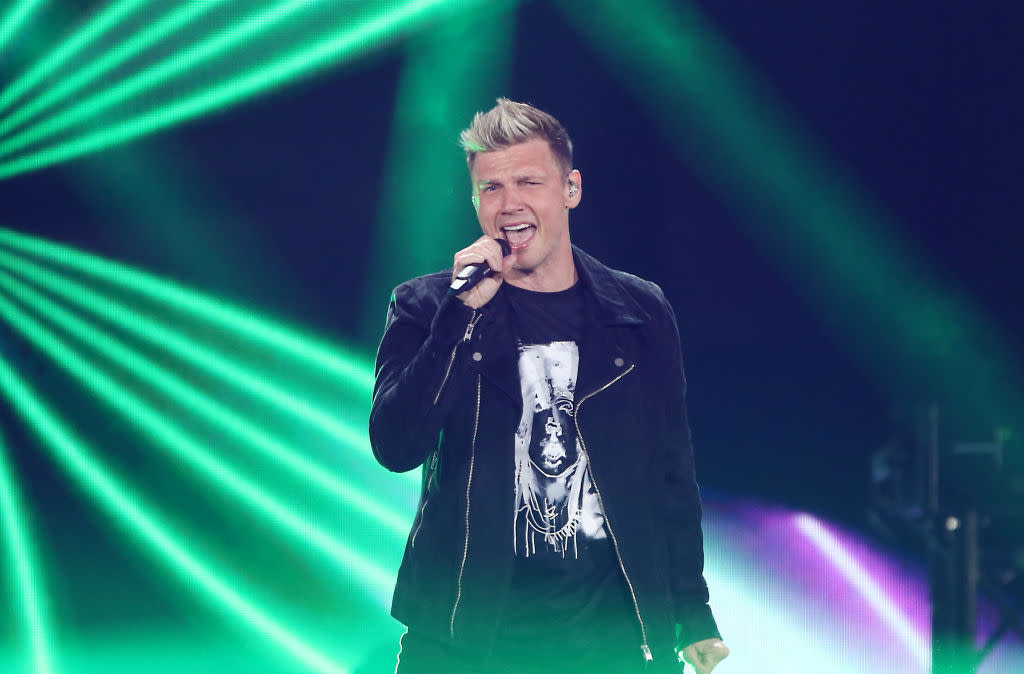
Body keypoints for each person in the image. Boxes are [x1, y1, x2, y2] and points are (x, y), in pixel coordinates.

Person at [369, 98, 729, 674]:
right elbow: (395, 446)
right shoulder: (429, 306)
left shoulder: (638, 312)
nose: (509, 204)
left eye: (529, 182)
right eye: (491, 188)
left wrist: (692, 608)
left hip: (612, 638)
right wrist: (459, 318)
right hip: (463, 638)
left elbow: (670, 473)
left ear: (571, 188)